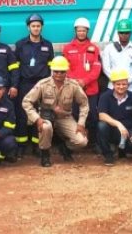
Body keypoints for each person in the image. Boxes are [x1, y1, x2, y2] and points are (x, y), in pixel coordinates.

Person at [21, 56, 90, 167]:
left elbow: (84, 104)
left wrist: (81, 123)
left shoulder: (73, 86)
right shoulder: (43, 84)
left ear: (66, 71)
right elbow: (26, 102)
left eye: (62, 72)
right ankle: (45, 154)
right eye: (56, 71)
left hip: (65, 118)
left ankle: (65, 147)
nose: (59, 74)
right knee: (45, 127)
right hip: (45, 117)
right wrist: (36, 118)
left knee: (82, 141)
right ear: (52, 71)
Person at [14, 13, 55, 155]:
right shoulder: (20, 45)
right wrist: (16, 85)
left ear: (42, 27)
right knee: (22, 114)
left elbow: (51, 68)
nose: (36, 28)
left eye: (38, 26)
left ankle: (36, 145)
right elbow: (16, 68)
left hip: (41, 85)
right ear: (28, 27)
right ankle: (21, 145)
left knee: (39, 114)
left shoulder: (47, 45)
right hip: (24, 84)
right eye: (33, 26)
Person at [96, 69, 132, 166]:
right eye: (118, 84)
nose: (121, 87)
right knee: (101, 126)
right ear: (113, 85)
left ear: (128, 85)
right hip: (111, 129)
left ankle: (122, 151)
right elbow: (102, 115)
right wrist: (118, 124)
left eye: (124, 84)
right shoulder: (105, 96)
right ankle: (108, 155)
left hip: (128, 129)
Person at [63, 17, 103, 148]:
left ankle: (94, 143)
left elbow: (97, 69)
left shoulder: (94, 48)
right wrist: (75, 83)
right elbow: (65, 69)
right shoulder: (67, 48)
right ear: (75, 31)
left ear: (87, 31)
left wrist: (84, 81)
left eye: (84, 31)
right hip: (73, 89)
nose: (81, 33)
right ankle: (75, 142)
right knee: (74, 114)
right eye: (79, 30)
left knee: (92, 116)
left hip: (90, 89)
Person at [102, 19, 132, 91]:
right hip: (113, 87)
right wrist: (117, 81)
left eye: (126, 33)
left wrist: (127, 82)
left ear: (130, 33)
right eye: (121, 33)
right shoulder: (109, 48)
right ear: (118, 33)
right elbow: (106, 68)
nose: (124, 35)